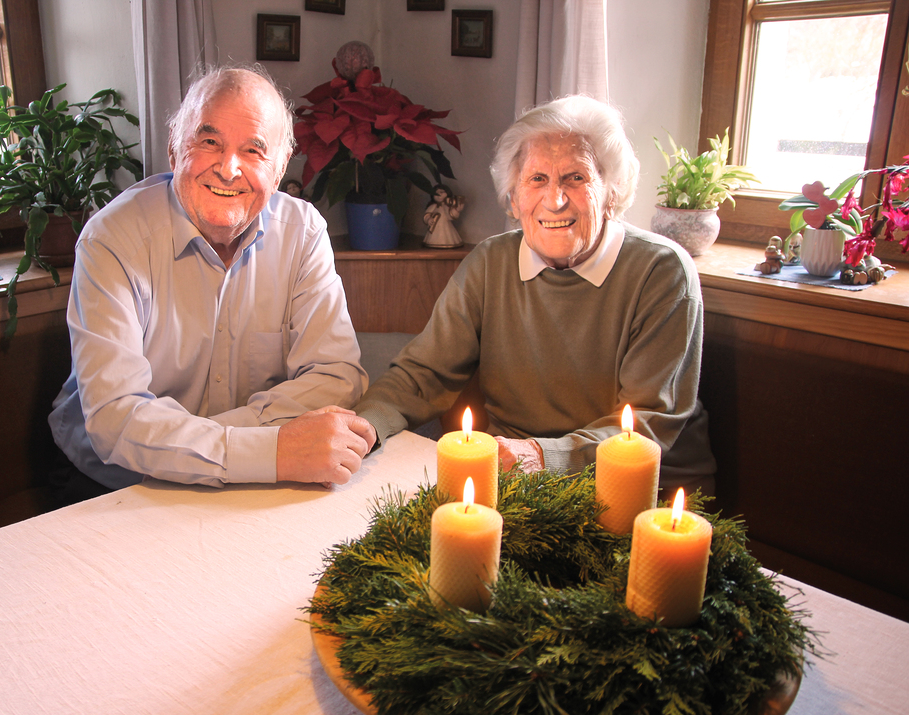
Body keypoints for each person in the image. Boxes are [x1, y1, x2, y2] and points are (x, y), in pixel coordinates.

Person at [355, 95, 715, 494]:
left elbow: (647, 423)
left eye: (576, 178)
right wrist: (365, 425)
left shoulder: (662, 272)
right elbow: (425, 372)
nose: (555, 199)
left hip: (640, 487)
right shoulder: (490, 262)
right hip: (513, 474)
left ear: (612, 192)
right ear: (514, 198)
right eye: (537, 179)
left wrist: (542, 456)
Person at [49, 64, 375, 497]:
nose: (228, 168)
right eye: (209, 142)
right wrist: (269, 449)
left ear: (278, 174)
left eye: (254, 151)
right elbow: (116, 421)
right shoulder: (113, 238)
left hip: (251, 474)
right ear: (173, 150)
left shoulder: (303, 232)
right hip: (113, 480)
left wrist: (211, 442)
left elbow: (337, 375)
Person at [422, 184, 465, 249]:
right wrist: (428, 219)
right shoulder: (433, 206)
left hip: (446, 226)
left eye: (442, 192)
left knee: (447, 236)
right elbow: (427, 214)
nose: (439, 195)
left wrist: (457, 210)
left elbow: (451, 216)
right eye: (436, 193)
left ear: (447, 193)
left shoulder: (447, 206)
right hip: (434, 227)